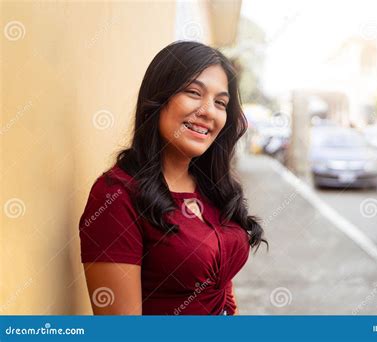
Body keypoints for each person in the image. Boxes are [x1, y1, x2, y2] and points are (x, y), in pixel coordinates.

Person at [78, 41, 267, 315]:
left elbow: (221, 283)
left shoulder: (213, 188)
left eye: (220, 102)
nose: (208, 111)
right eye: (193, 92)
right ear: (158, 97)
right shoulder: (115, 196)